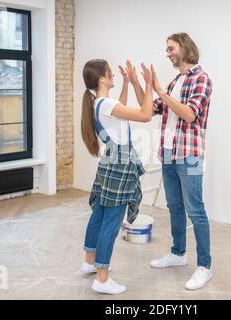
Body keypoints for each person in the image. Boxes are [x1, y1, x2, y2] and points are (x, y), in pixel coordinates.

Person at [127, 33, 213, 290]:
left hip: (190, 156)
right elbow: (148, 110)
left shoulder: (201, 79)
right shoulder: (176, 82)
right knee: (175, 207)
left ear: (185, 48)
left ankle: (204, 266)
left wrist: (161, 90)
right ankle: (178, 253)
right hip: (168, 155)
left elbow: (188, 114)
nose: (167, 53)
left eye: (171, 48)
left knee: (196, 211)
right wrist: (136, 83)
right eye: (166, 49)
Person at [80, 59, 153, 294]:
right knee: (111, 222)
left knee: (99, 215)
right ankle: (102, 279)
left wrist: (125, 84)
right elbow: (145, 114)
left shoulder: (99, 103)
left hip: (109, 162)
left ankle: (90, 262)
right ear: (101, 78)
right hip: (119, 165)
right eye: (111, 74)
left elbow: (118, 112)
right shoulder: (105, 103)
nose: (112, 76)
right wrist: (147, 84)